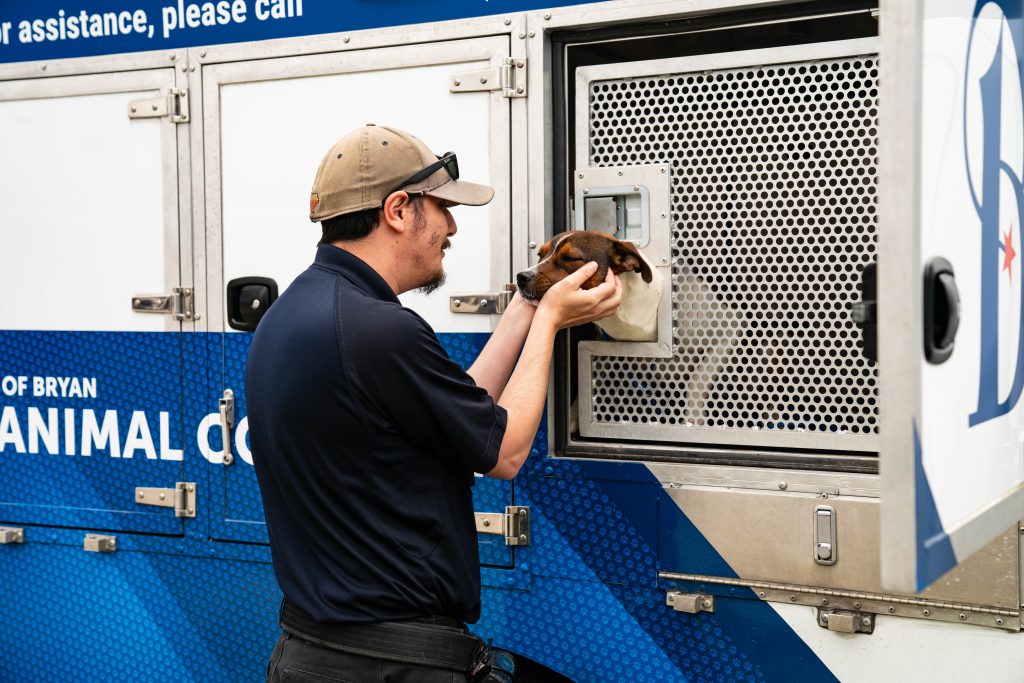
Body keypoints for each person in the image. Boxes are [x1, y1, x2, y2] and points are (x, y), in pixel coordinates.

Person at [247, 124, 621, 682]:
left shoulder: (299, 313)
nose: (450, 227)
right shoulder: (378, 329)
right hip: (391, 665)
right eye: (442, 207)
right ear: (399, 210)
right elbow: (506, 449)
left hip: (312, 655)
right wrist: (550, 322)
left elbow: (466, 411)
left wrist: (526, 304)